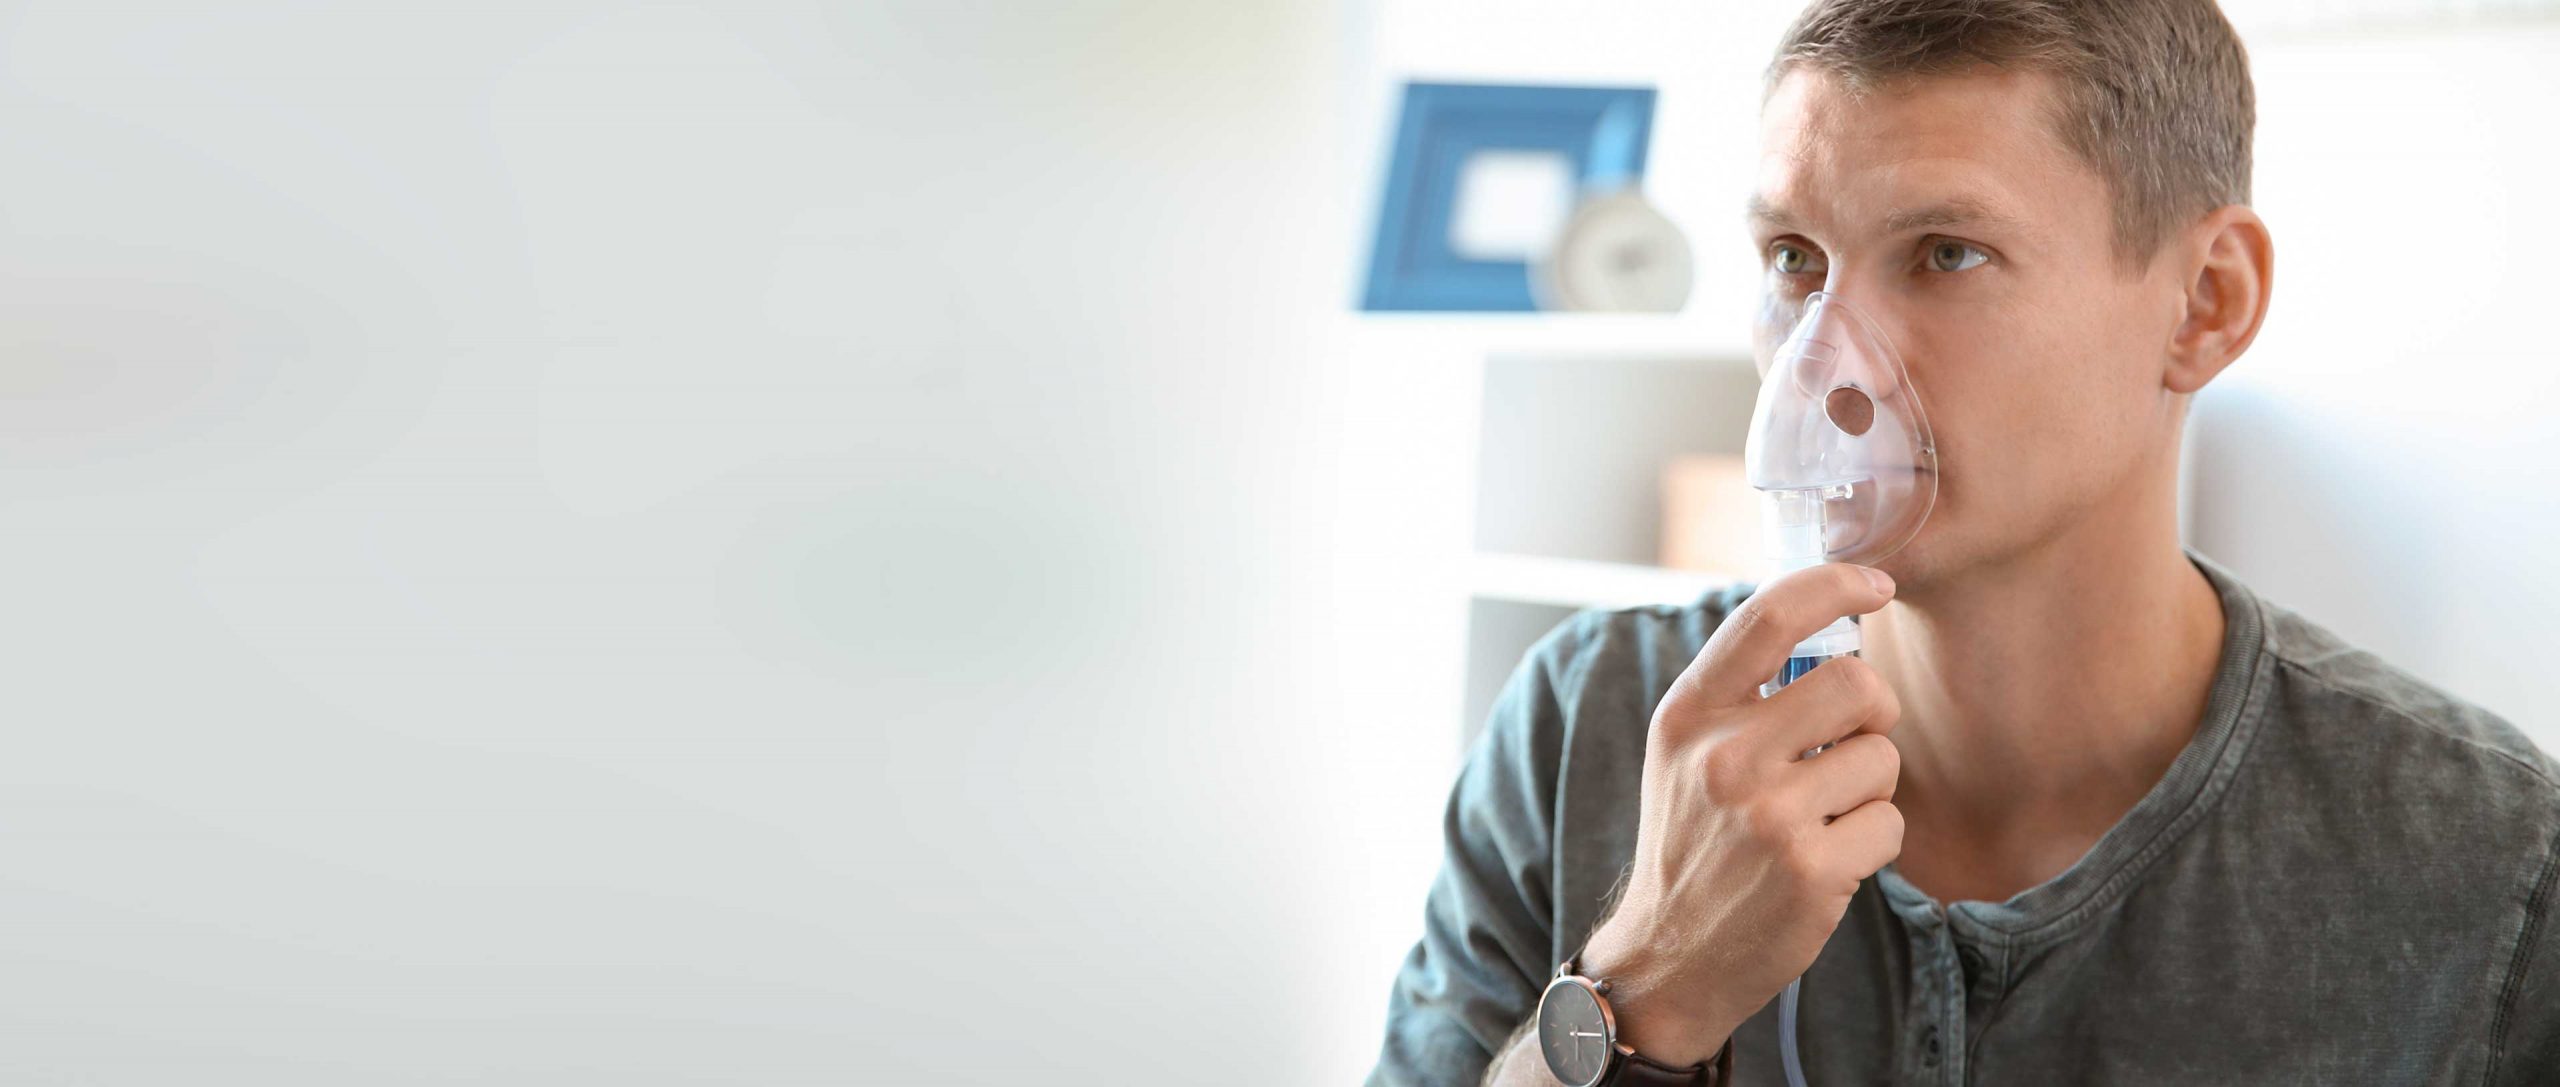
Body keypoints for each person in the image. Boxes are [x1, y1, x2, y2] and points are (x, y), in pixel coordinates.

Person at [1364, 1, 2560, 1084]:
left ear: (2205, 304)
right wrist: (1644, 988)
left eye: (1946, 254)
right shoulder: (1592, 727)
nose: (1823, 371)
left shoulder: (2486, 871)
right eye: (1794, 260)